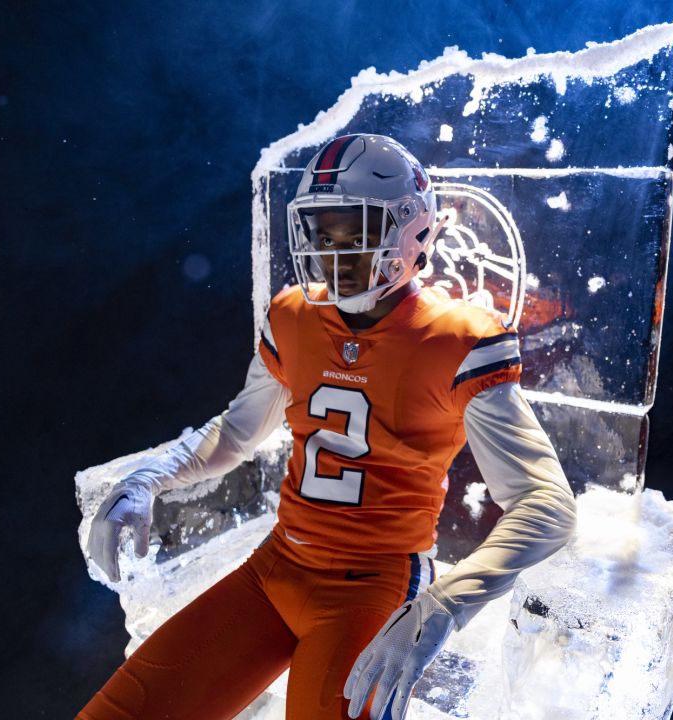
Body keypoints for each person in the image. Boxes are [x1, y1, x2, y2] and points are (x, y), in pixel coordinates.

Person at [77, 133, 577, 720]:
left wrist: (445, 604)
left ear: (410, 230)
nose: (332, 251)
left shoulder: (459, 338)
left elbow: (548, 504)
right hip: (275, 567)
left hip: (375, 583)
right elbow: (237, 434)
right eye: (321, 231)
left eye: (354, 231)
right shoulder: (293, 316)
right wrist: (150, 477)